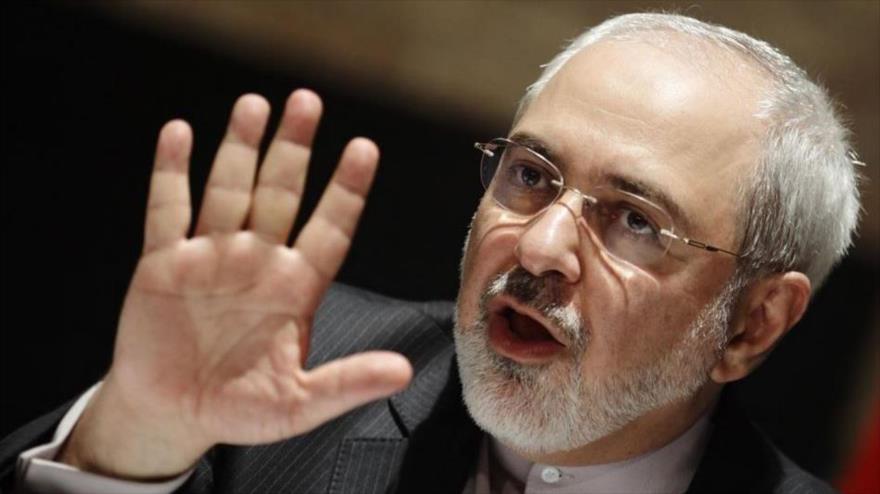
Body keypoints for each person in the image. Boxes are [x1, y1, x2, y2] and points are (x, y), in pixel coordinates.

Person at [0, 12, 861, 494]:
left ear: (752, 324)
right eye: (531, 175)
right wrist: (134, 441)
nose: (542, 245)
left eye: (635, 220)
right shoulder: (289, 372)